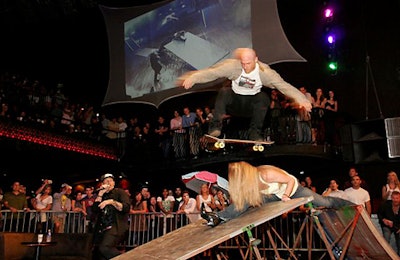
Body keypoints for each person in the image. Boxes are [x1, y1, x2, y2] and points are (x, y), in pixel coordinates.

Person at [178, 48, 312, 141]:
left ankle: (255, 133)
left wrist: (302, 100)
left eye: (248, 64)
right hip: (235, 103)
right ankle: (215, 128)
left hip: (251, 106)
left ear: (256, 60)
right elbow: (213, 72)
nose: (245, 67)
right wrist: (194, 78)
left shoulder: (266, 73)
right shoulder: (233, 66)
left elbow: (283, 86)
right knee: (224, 92)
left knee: (264, 98)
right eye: (243, 63)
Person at [201, 161, 353, 227]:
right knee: (246, 200)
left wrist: (287, 195)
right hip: (274, 196)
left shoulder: (266, 174)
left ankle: (350, 205)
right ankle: (219, 217)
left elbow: (289, 181)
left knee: (324, 202)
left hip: (294, 190)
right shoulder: (250, 183)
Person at [92, 173, 131, 260]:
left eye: (110, 180)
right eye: (106, 181)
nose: (108, 182)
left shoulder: (119, 192)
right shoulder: (101, 195)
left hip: (115, 226)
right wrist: (100, 194)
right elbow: (94, 210)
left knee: (105, 247)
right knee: (99, 253)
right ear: (102, 184)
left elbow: (126, 207)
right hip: (102, 228)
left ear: (114, 183)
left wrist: (111, 202)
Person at [378, 191, 400, 255]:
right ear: (391, 198)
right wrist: (383, 219)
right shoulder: (385, 204)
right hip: (387, 226)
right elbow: (379, 214)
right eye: (393, 198)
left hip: (398, 226)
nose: (395, 200)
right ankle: (385, 255)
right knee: (386, 237)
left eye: (397, 198)